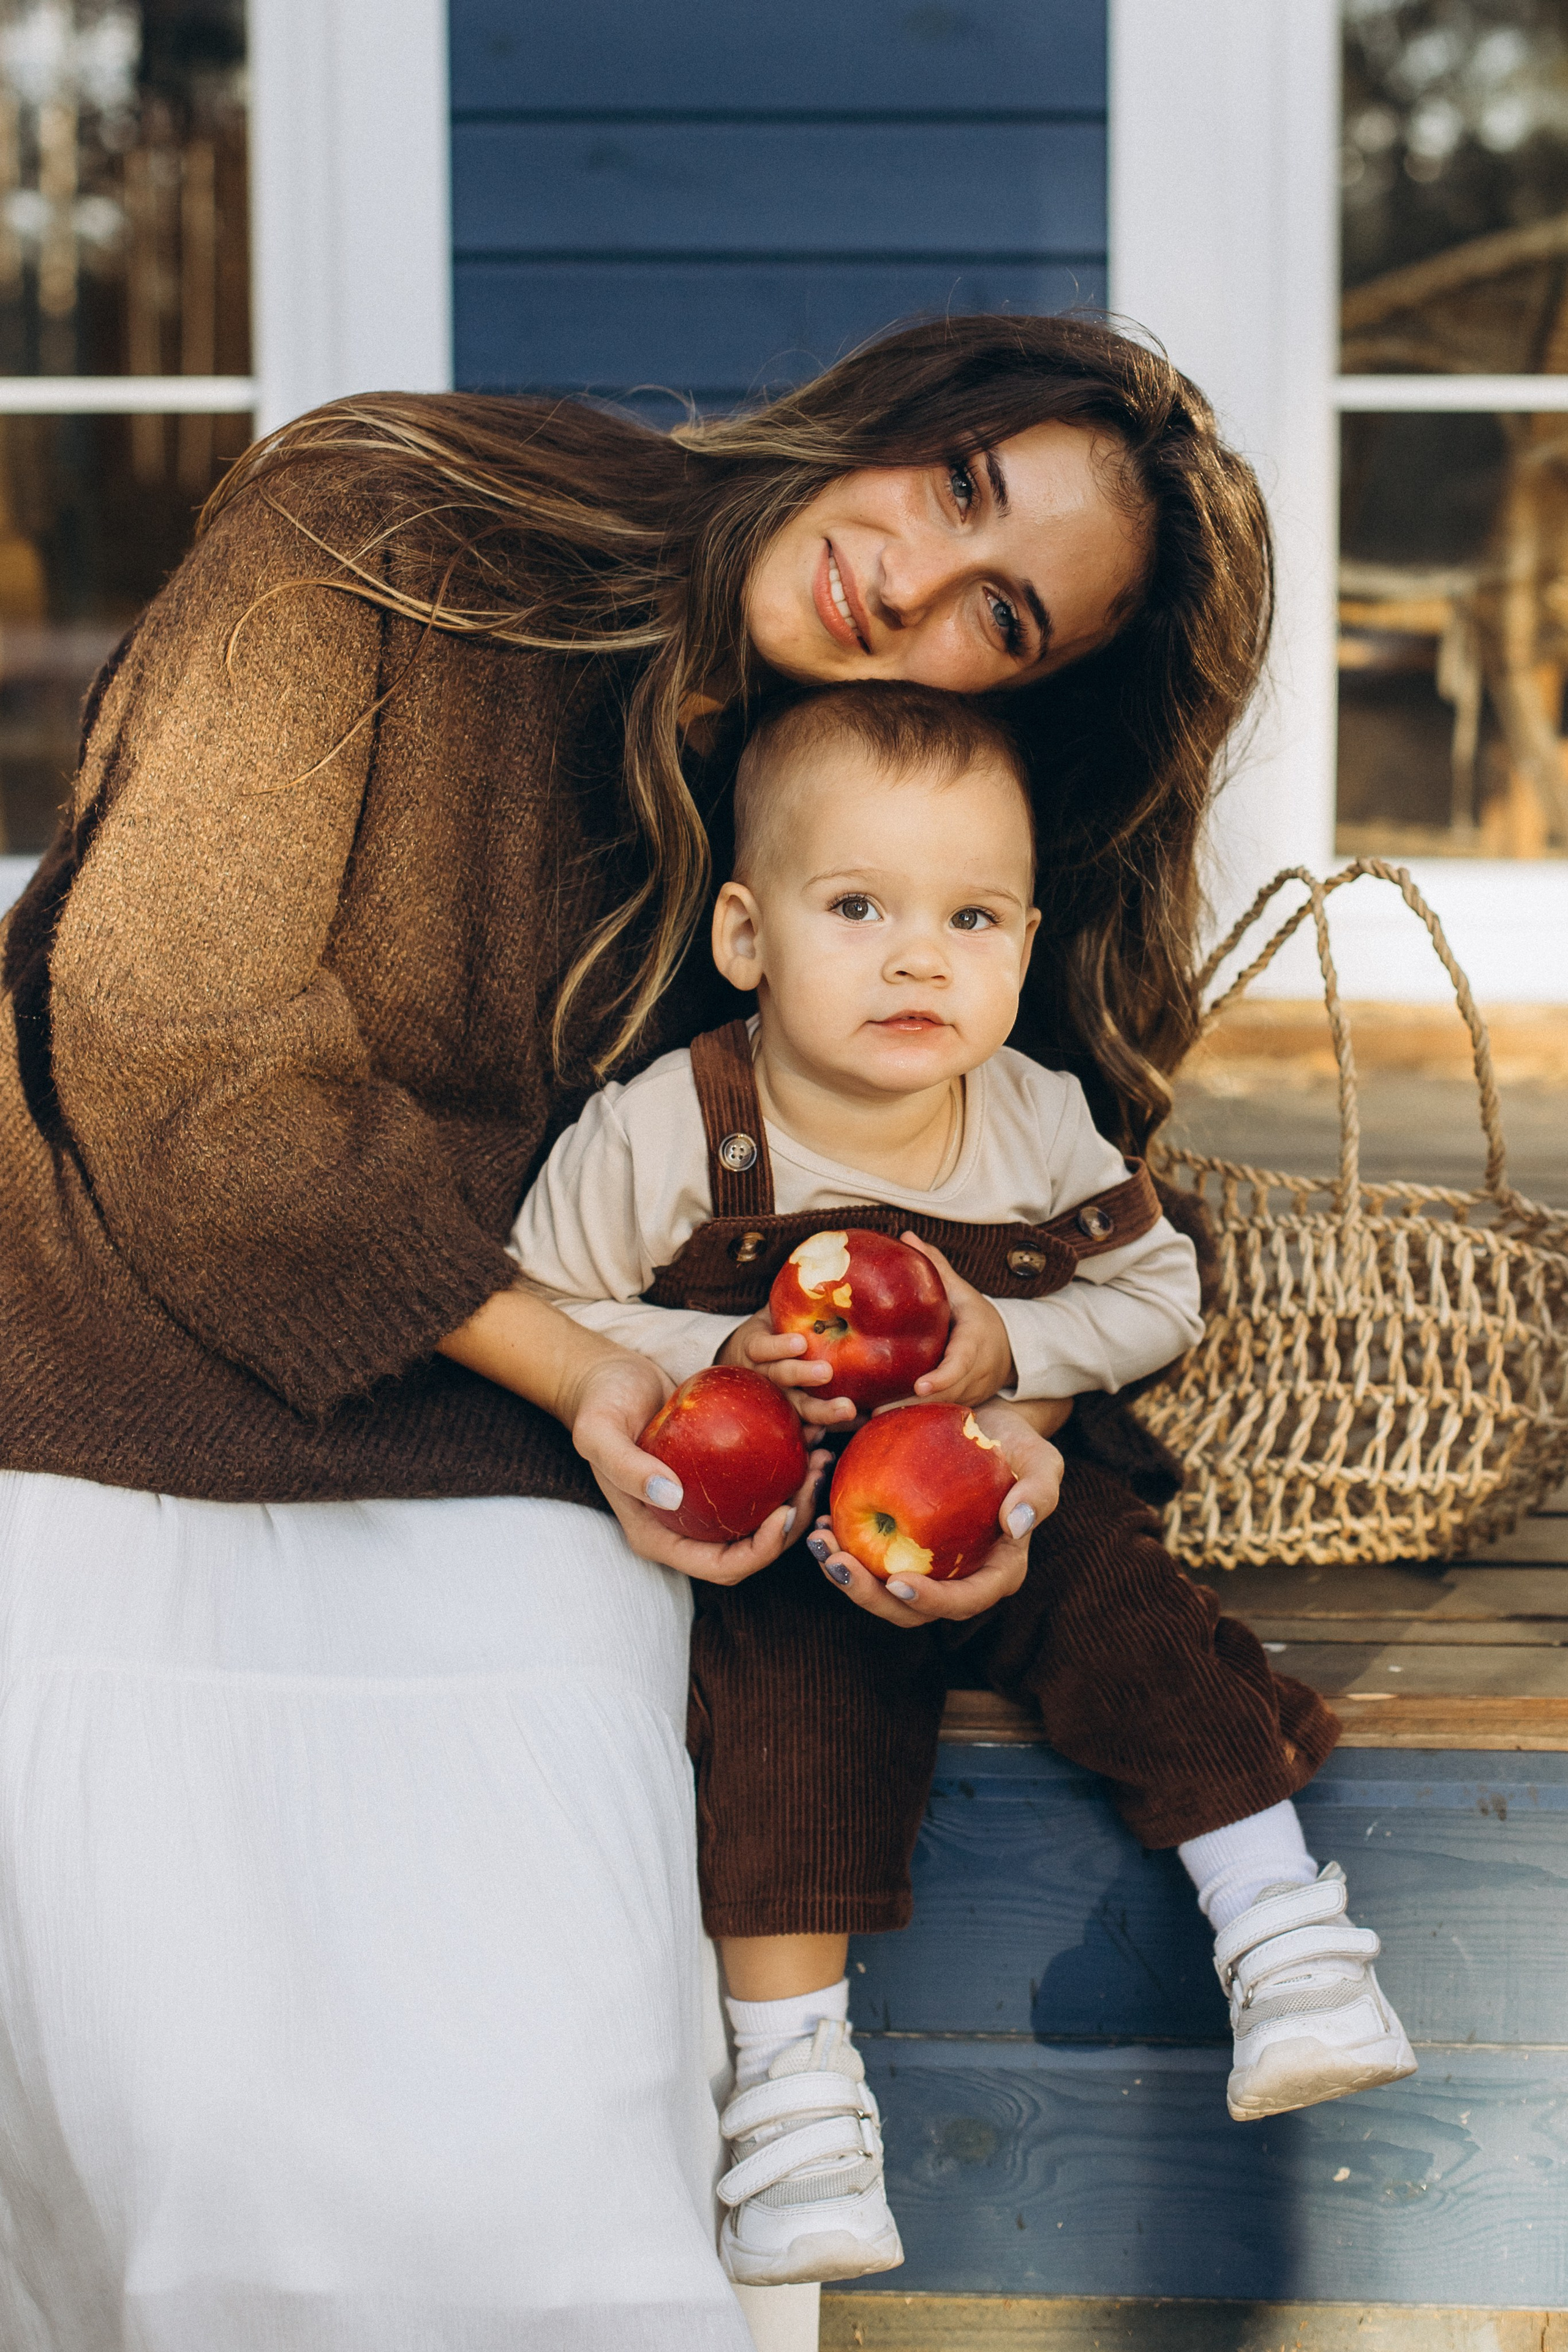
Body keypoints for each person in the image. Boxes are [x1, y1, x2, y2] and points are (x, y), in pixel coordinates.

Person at [0, 311, 1287, 2348]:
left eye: (1004, 619)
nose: (916, 583)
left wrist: (1025, 1408)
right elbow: (180, 1054)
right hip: (116, 1384)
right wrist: (597, 1374)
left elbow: (1010, 1221)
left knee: (541, 2150)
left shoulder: (867, 832)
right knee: (210, 2129)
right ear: (897, 414)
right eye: (956, 492)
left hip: (563, 1488)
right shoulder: (391, 527)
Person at [505, 681, 1417, 2288]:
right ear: (745, 934)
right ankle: (793, 2093)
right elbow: (552, 1301)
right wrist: (719, 1342)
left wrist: (1008, 1345)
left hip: (1003, 1479)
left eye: (972, 916)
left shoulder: (1034, 1120)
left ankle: (1285, 1931)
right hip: (791, 1524)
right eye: (857, 906)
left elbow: (1159, 1297)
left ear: (1025, 940)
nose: (920, 955)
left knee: (1134, 1612)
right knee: (781, 1702)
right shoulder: (670, 1128)